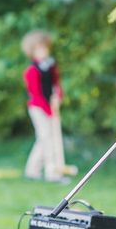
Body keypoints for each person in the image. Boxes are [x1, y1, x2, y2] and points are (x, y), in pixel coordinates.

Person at [21, 30, 77, 182]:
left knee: (44, 138)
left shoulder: (51, 65)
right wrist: (49, 111)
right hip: (38, 108)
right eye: (39, 49)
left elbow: (56, 84)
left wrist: (58, 97)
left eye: (45, 48)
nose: (43, 51)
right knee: (47, 139)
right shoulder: (31, 71)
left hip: (50, 106)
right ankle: (52, 173)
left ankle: (32, 170)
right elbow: (36, 94)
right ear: (32, 51)